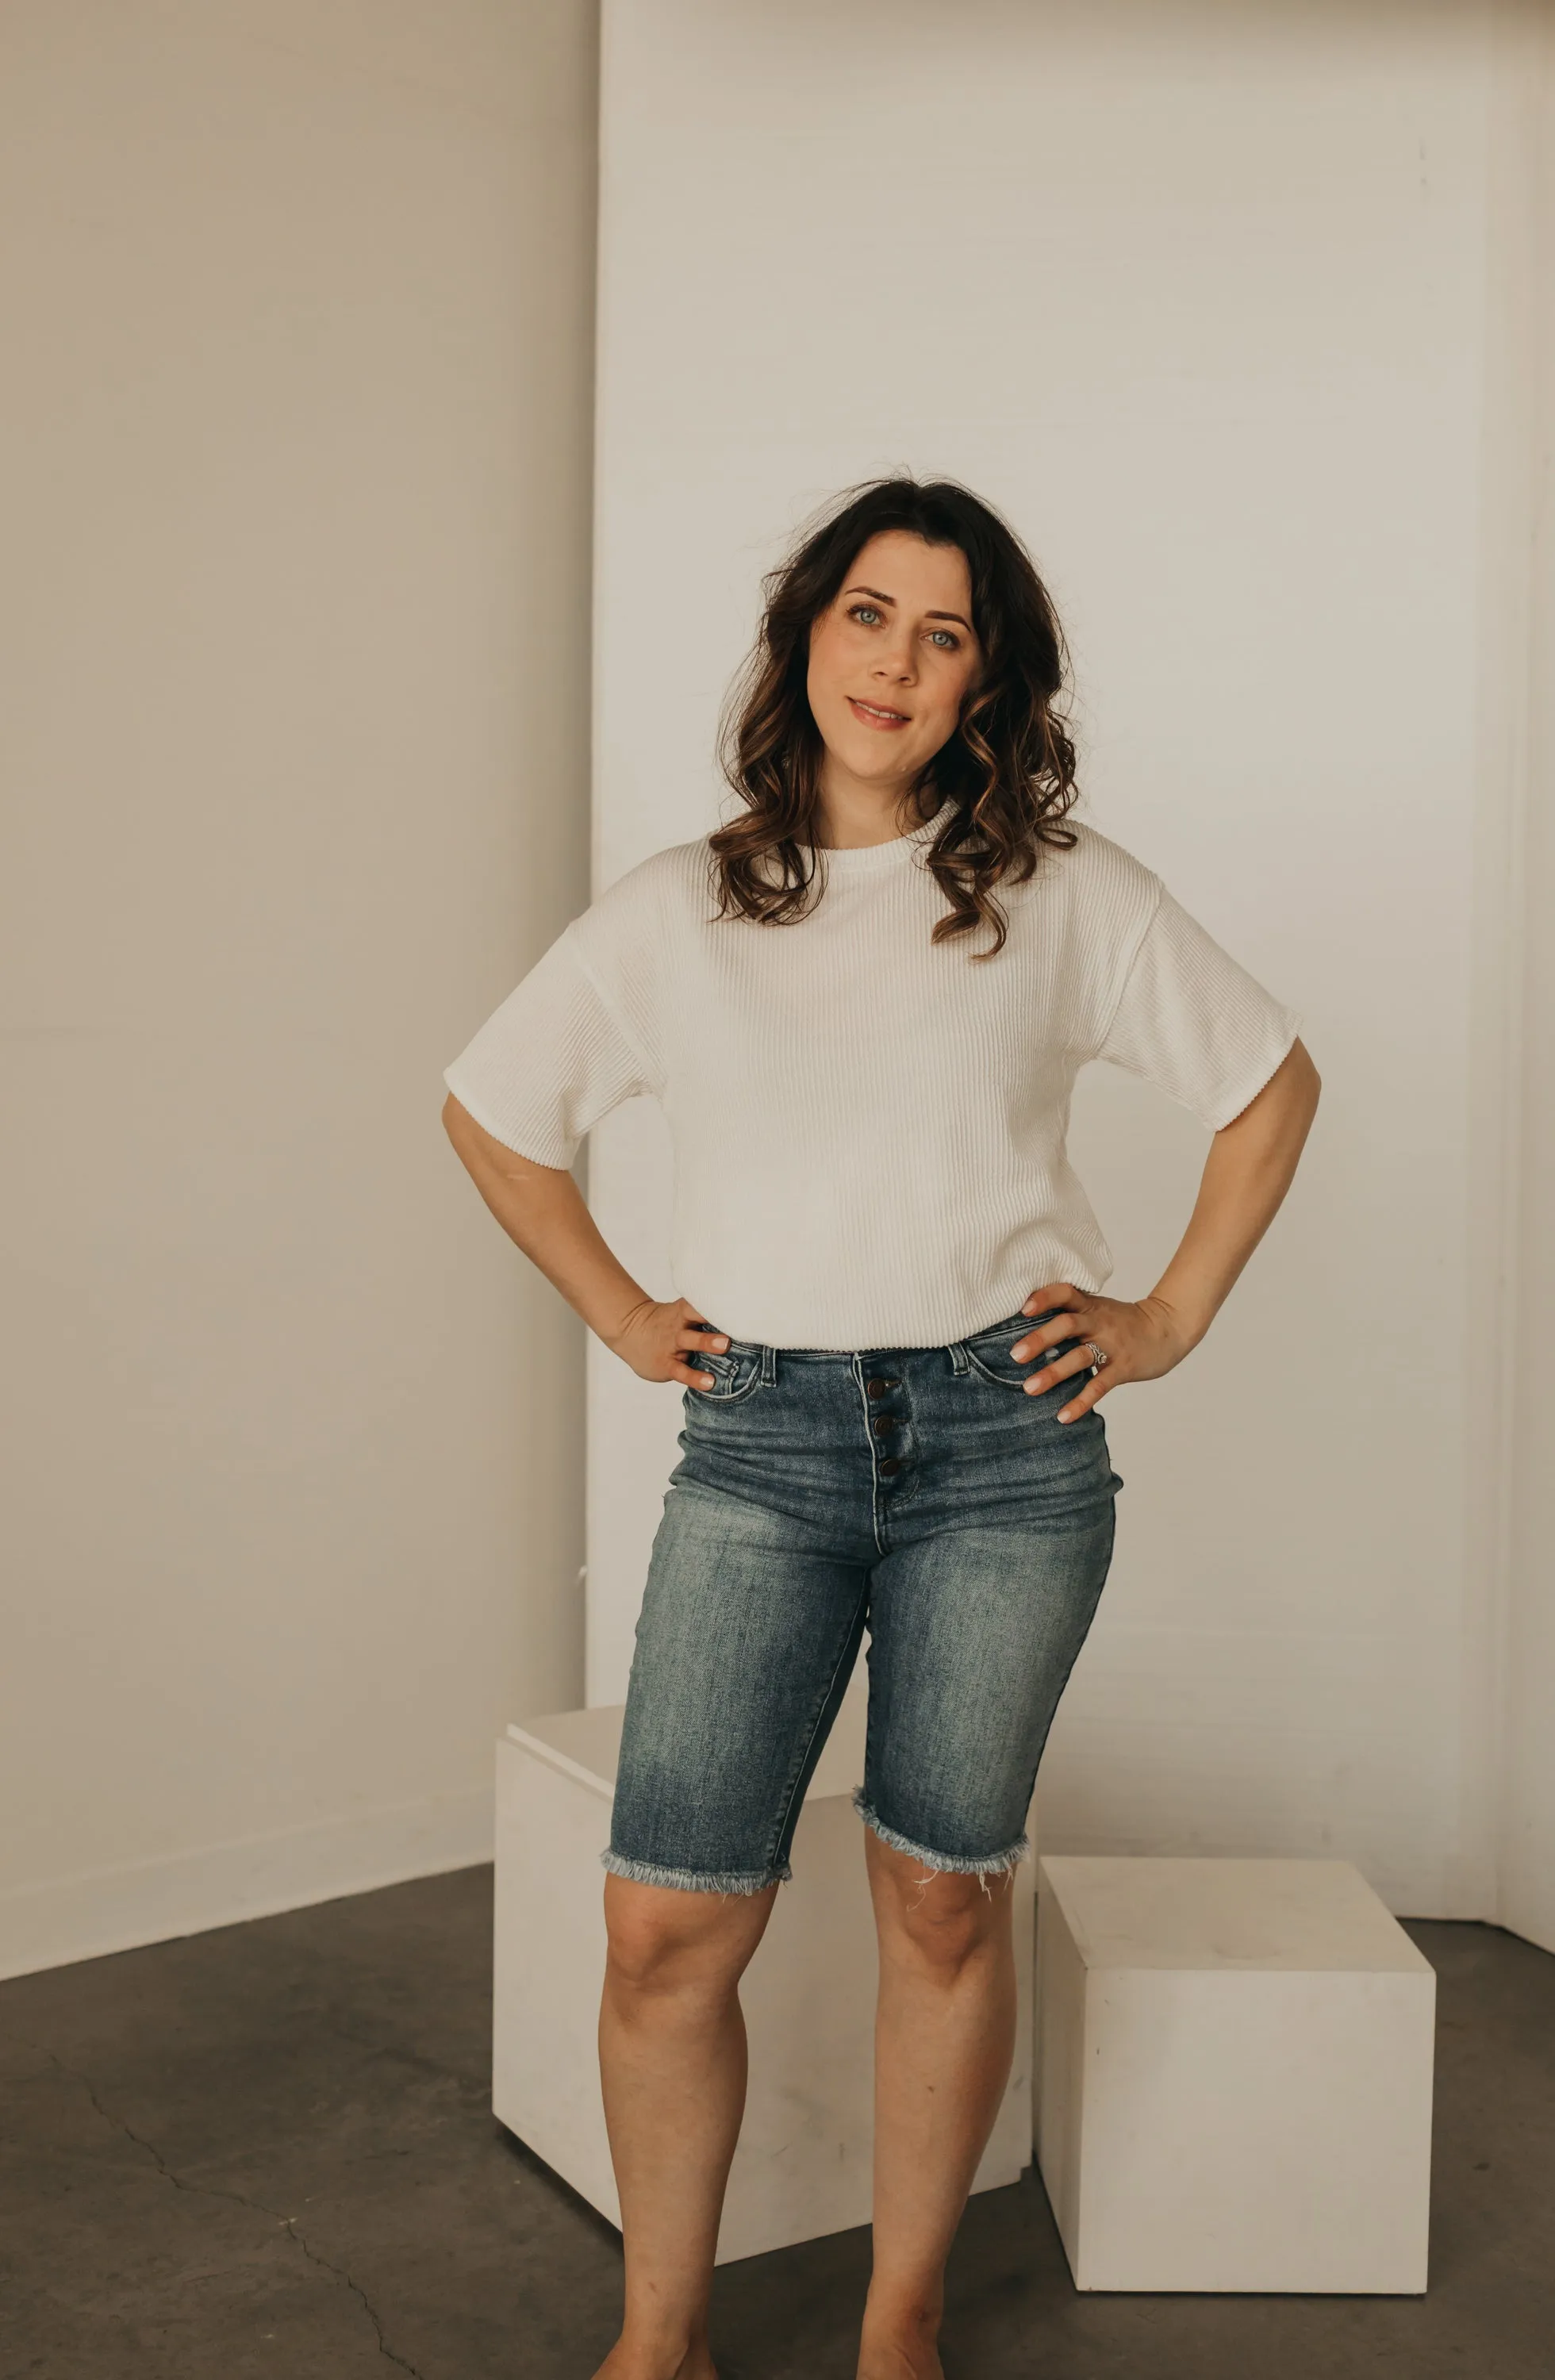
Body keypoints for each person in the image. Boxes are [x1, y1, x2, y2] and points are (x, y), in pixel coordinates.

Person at [441, 476, 1320, 2380]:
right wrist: (613, 1303)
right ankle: (655, 2346)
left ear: (984, 682)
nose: (895, 660)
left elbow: (1267, 1085)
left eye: (942, 633)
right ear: (802, 638)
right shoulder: (682, 906)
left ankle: (896, 2329)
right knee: (668, 1928)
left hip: (1004, 1453)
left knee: (937, 1900)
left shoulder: (1063, 898)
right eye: (865, 613)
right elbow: (495, 1108)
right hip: (755, 1452)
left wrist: (1161, 1313)